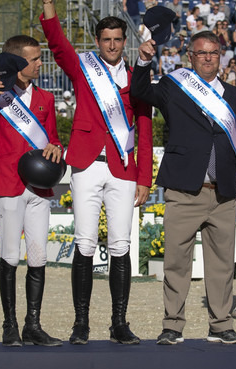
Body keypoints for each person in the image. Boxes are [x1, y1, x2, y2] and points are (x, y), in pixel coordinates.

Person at [41, 0, 153, 345]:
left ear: (125, 41)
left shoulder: (137, 77)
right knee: (85, 243)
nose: (113, 45)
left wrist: (145, 177)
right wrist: (48, 8)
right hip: (87, 165)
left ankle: (119, 322)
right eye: (106, 39)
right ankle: (81, 323)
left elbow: (145, 127)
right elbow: (58, 45)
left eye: (118, 39)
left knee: (121, 245)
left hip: (122, 168)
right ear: (97, 41)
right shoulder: (83, 67)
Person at [133, 31, 236, 345]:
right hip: (184, 189)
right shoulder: (173, 86)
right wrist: (144, 61)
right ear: (190, 56)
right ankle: (172, 325)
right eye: (202, 53)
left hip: (223, 190)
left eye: (214, 52)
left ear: (222, 55)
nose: (209, 58)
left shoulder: (234, 96)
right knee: (175, 261)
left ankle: (221, 324)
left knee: (223, 264)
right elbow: (140, 90)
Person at [0, 35, 65, 347]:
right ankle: (9, 325)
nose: (41, 64)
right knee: (11, 256)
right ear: (17, 62)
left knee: (39, 255)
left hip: (39, 187)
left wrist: (56, 148)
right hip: (7, 183)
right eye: (35, 59)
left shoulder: (46, 98)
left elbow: (53, 138)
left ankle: (33, 325)